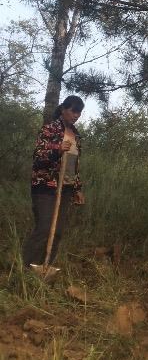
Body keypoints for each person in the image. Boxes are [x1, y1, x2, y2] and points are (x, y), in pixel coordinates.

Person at [22, 95, 85, 267]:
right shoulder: (49, 129)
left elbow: (74, 165)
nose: (77, 115)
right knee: (44, 228)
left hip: (65, 188)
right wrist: (57, 149)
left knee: (57, 232)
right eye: (74, 111)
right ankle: (27, 269)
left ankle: (45, 267)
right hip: (45, 186)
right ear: (63, 109)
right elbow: (38, 158)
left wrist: (77, 188)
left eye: (79, 112)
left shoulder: (76, 136)